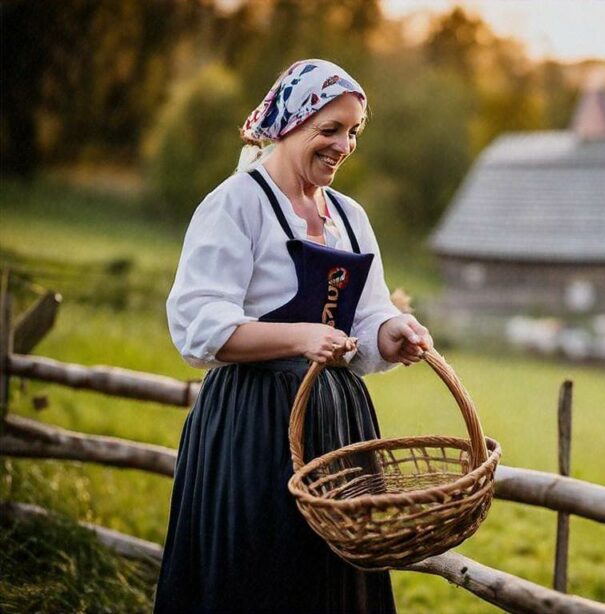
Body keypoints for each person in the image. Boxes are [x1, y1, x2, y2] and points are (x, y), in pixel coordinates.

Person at [154, 59, 431, 613]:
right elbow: (200, 327)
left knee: (332, 583)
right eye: (328, 130)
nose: (343, 145)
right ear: (288, 124)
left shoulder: (349, 216)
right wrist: (300, 337)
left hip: (339, 429)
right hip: (254, 426)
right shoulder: (237, 203)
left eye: (353, 131)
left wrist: (391, 333)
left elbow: (367, 319)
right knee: (260, 575)